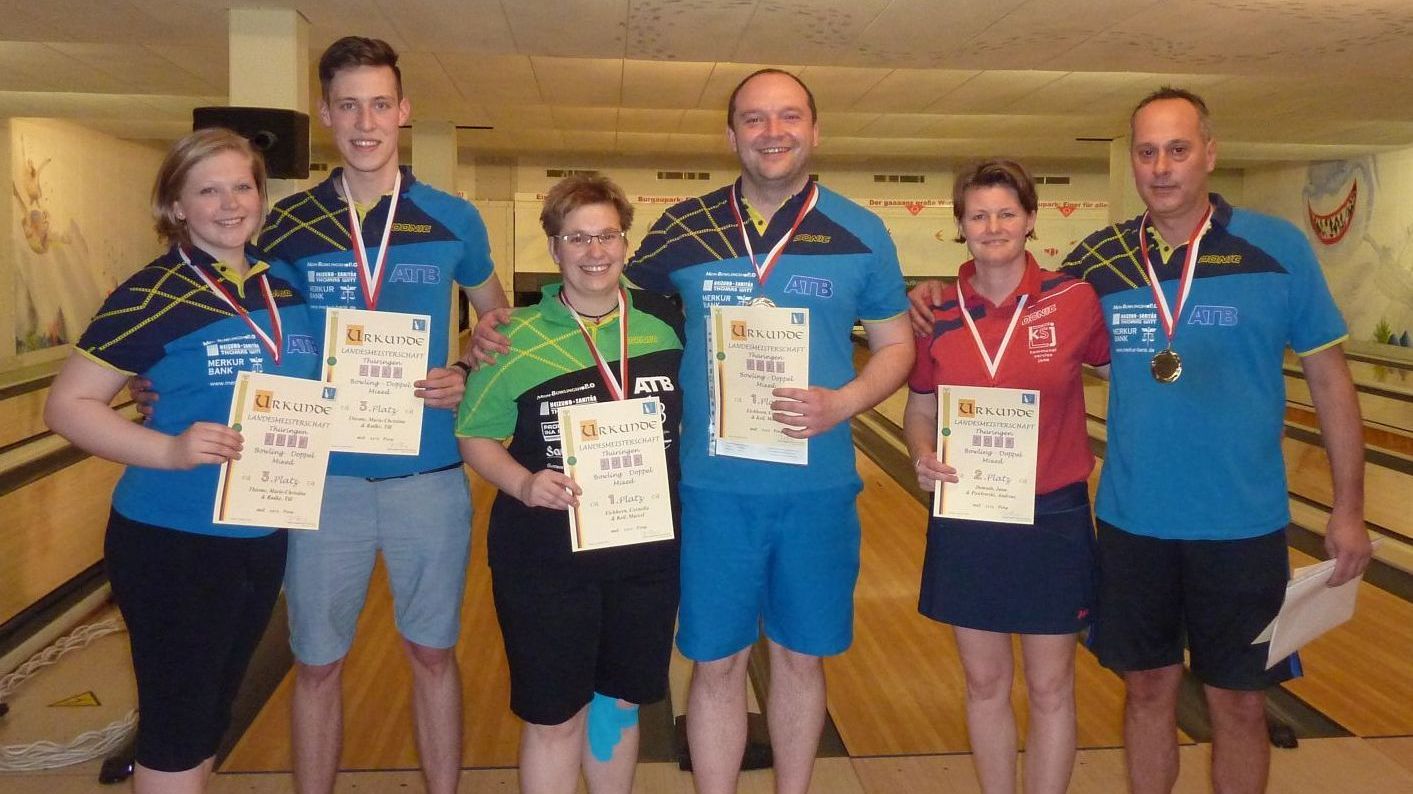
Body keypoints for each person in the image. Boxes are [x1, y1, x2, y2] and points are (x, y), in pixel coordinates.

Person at [909, 88, 1370, 794]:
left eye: (1177, 149)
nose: (1161, 167)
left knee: (1239, 704)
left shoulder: (1276, 249)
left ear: (1208, 154)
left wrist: (1347, 507)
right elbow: (1017, 299)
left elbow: (1331, 383)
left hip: (1241, 525)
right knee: (1147, 693)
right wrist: (940, 288)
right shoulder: (1100, 261)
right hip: (1132, 525)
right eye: (1146, 151)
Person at [476, 68, 913, 794]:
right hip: (708, 492)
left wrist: (844, 401)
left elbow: (896, 346)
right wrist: (497, 331)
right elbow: (602, 299)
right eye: (753, 118)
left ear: (815, 128)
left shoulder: (862, 231)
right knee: (716, 664)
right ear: (730, 134)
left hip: (818, 489)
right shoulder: (683, 228)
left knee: (803, 660)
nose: (771, 132)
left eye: (788, 117)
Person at [246, 36, 507, 794]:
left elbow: (497, 321)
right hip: (321, 483)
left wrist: (462, 368)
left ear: (405, 111)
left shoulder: (454, 218)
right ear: (325, 114)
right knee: (317, 664)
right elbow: (253, 330)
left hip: (428, 476)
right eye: (349, 105)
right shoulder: (286, 226)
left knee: (432, 654)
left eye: (380, 104)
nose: (366, 121)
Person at [45, 128, 320, 793]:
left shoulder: (279, 284)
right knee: (174, 725)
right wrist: (166, 449)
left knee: (209, 716)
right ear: (176, 207)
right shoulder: (150, 295)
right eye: (208, 190)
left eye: (242, 186)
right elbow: (68, 405)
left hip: (259, 531)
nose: (230, 204)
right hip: (174, 540)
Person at [455, 174, 682, 794]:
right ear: (553, 248)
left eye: (606, 235)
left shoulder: (664, 332)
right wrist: (524, 484)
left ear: (625, 243)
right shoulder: (514, 340)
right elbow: (474, 435)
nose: (594, 251)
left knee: (620, 705)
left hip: (643, 555)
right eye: (576, 237)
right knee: (556, 717)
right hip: (546, 559)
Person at [902, 159, 1108, 794]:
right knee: (985, 682)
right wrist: (918, 455)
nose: (992, 226)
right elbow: (921, 405)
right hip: (970, 511)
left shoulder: (1074, 301)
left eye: (1006, 213)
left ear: (1030, 221)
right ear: (960, 226)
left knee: (1051, 686)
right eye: (978, 215)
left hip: (1053, 515)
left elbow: (1121, 374)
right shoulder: (934, 310)